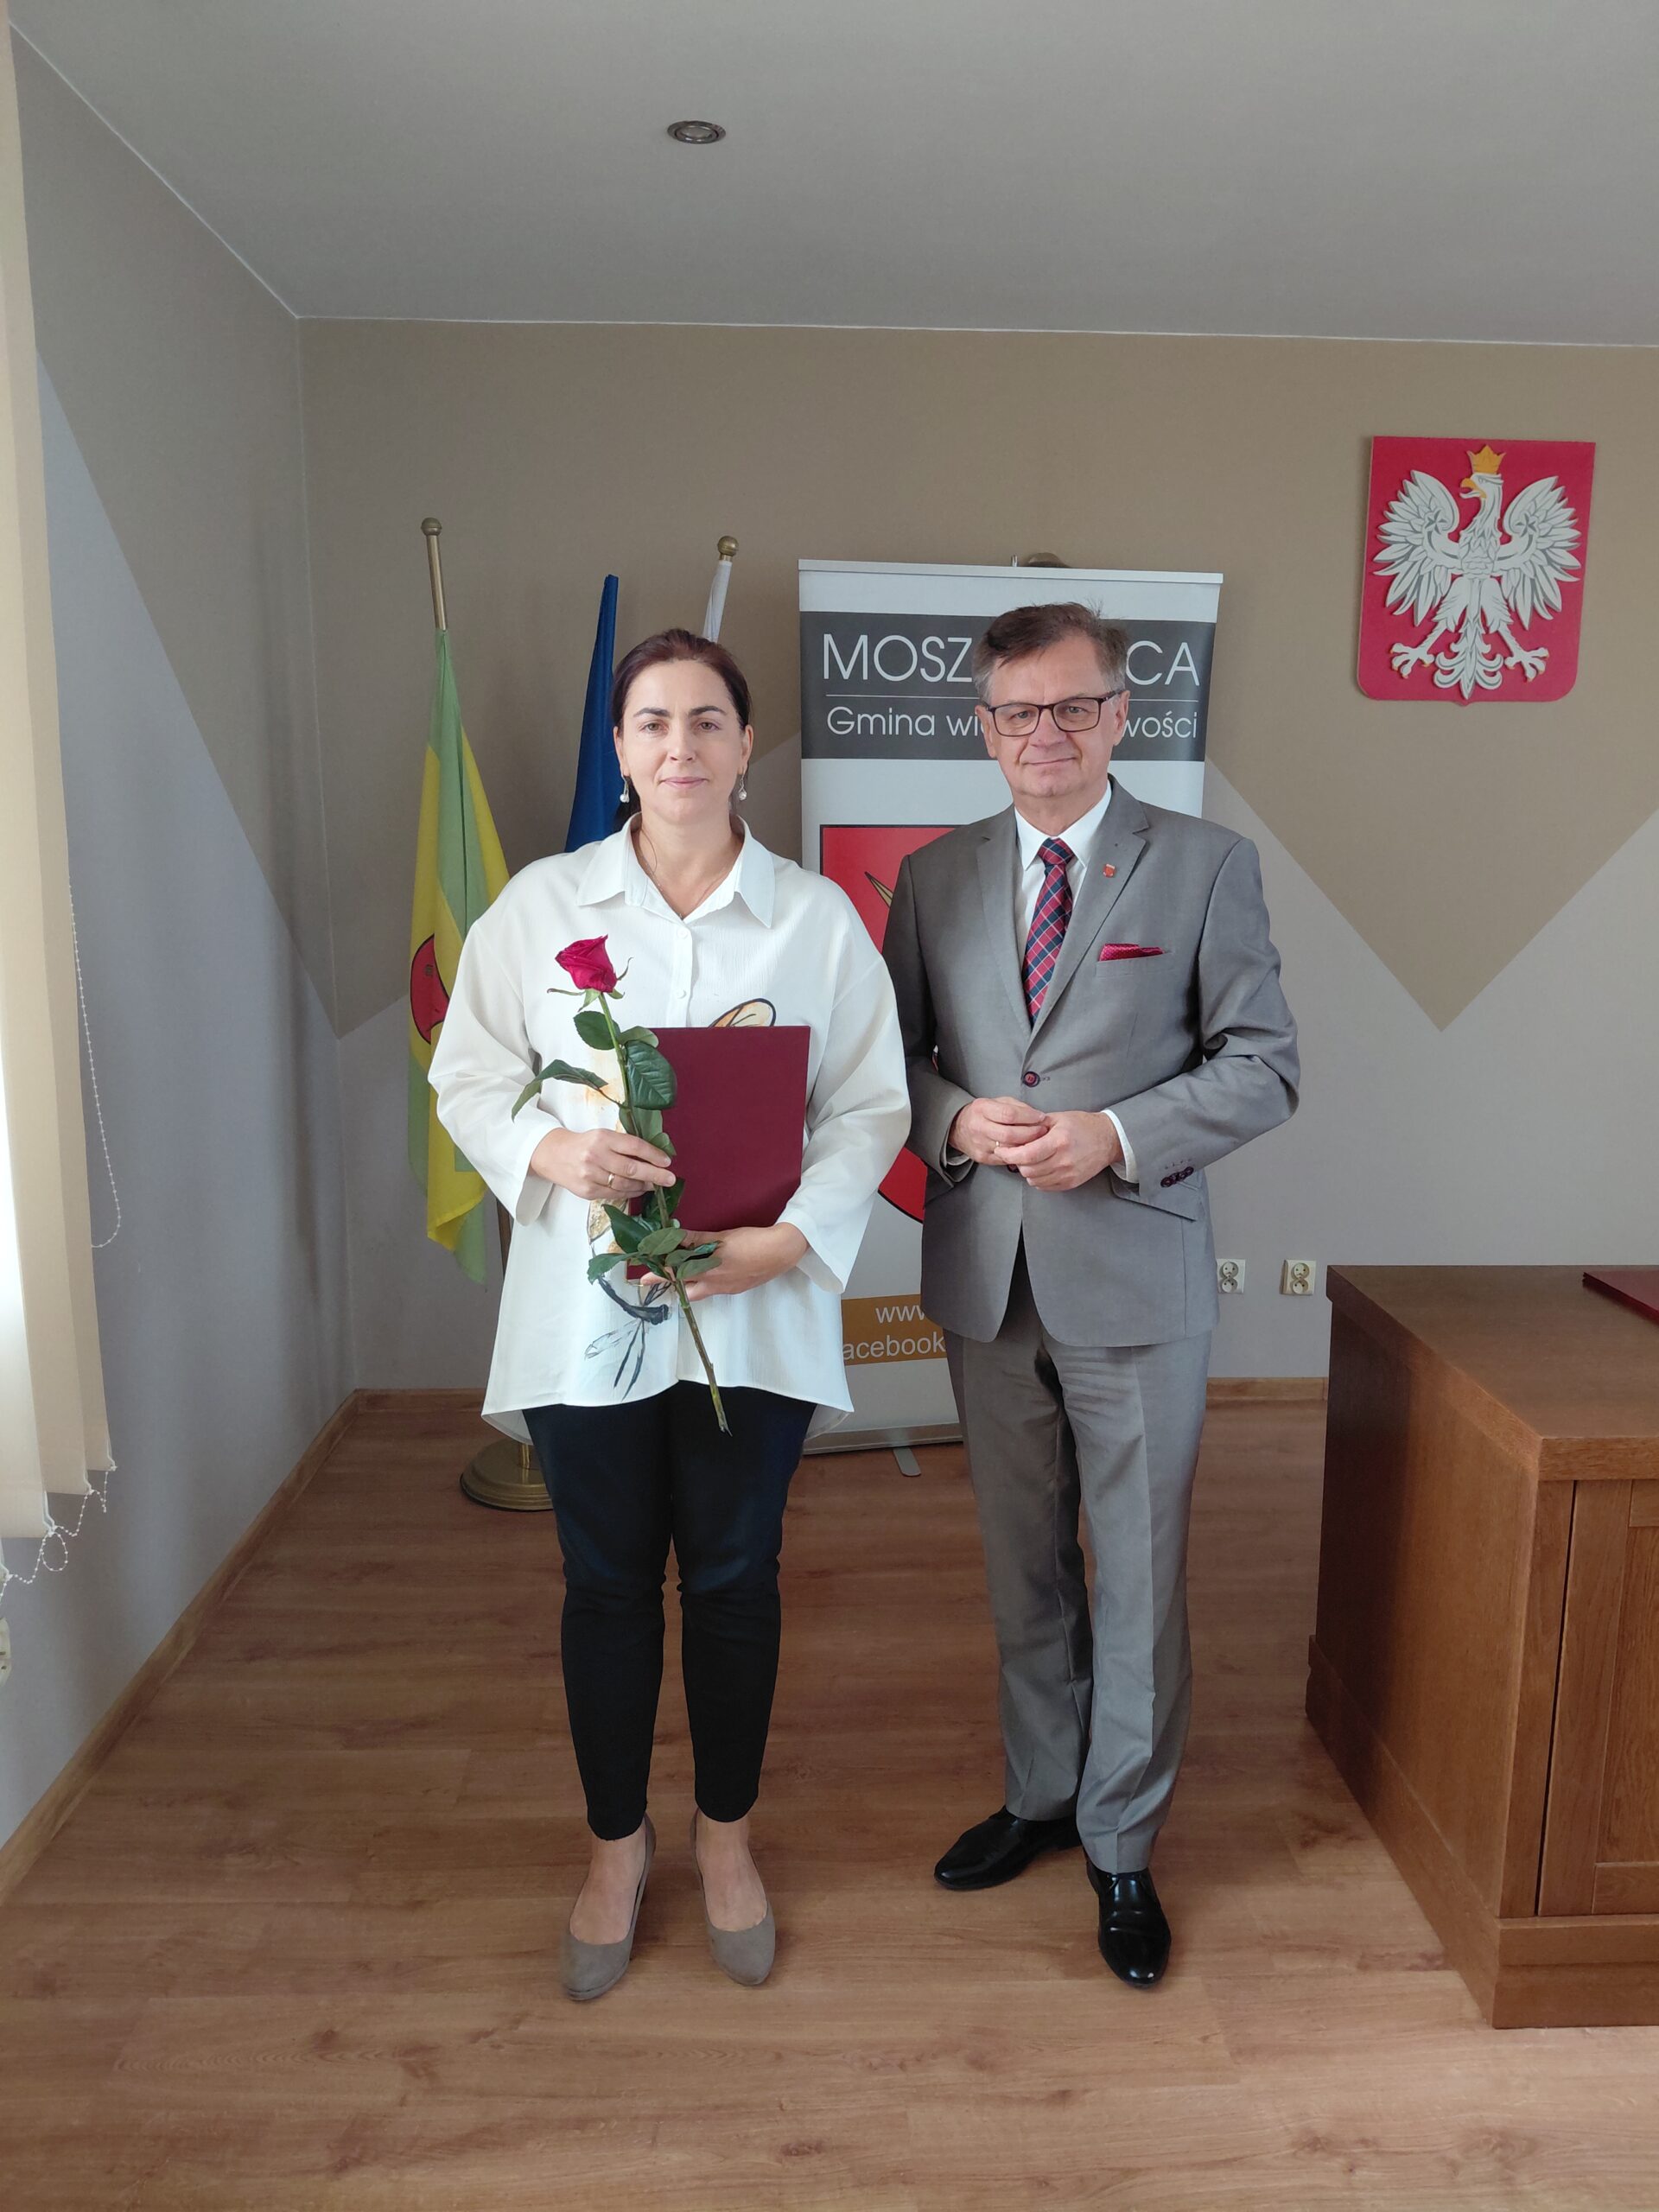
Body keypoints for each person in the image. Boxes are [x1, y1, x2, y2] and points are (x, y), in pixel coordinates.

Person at [430, 628, 908, 2000]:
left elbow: (869, 1104)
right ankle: (615, 1847)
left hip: (754, 1305)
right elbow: (469, 1073)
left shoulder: (814, 921)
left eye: (707, 720)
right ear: (621, 749)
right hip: (585, 1316)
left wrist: (790, 1241)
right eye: (653, 722)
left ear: (746, 745)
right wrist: (554, 1150)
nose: (680, 746)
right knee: (603, 1582)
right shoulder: (542, 907)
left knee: (737, 1577)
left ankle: (727, 1836)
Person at [882, 601, 1298, 1987]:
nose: (1045, 734)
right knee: (1024, 1566)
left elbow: (1264, 1065)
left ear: (1121, 716)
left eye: (1072, 707)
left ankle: (1123, 1841)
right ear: (985, 728)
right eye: (1018, 712)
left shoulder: (1206, 865)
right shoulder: (933, 877)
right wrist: (955, 1119)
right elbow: (892, 1062)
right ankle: (1044, 1792)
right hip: (988, 1279)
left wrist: (1116, 1134)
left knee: (1139, 1574)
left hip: (1136, 1277)